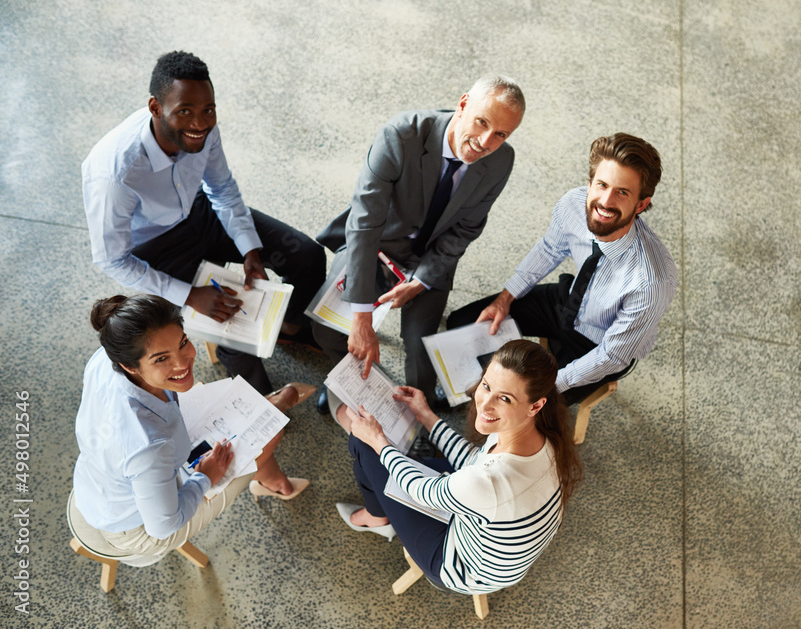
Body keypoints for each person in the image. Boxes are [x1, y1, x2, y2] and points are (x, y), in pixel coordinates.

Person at [82, 51, 326, 395]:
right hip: (156, 245)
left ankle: (289, 327)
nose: (200, 124)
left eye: (207, 110)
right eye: (185, 111)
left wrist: (250, 247)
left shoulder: (201, 129)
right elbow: (111, 259)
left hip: (200, 211)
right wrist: (190, 295)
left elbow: (222, 188)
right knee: (232, 326)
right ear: (155, 108)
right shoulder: (115, 173)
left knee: (307, 255)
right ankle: (263, 407)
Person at [311, 76, 525, 413]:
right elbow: (365, 223)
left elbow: (467, 229)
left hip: (433, 258)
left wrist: (422, 280)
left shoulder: (501, 161)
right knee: (328, 327)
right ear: (464, 103)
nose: (486, 142)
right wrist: (363, 317)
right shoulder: (400, 135)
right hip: (378, 243)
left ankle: (416, 419)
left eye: (501, 134)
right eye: (482, 122)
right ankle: (351, 381)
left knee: (422, 351)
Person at [71, 294, 312, 565]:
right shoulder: (148, 446)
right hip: (138, 527)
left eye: (183, 342)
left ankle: (274, 477)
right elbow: (163, 525)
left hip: (99, 482)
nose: (182, 363)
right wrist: (205, 478)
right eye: (162, 358)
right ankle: (274, 467)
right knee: (267, 436)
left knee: (245, 429)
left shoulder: (105, 359)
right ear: (129, 366)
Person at [447, 133, 677, 405]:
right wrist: (505, 298)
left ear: (641, 204)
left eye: (622, 192)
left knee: (529, 410)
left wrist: (547, 386)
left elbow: (612, 356)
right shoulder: (573, 205)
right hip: (568, 300)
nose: (605, 201)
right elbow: (550, 249)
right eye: (601, 185)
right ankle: (467, 394)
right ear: (590, 183)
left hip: (599, 341)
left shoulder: (652, 280)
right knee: (461, 326)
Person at [336, 339, 581, 594]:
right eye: (486, 385)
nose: (484, 404)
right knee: (396, 458)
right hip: (495, 550)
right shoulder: (540, 437)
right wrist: (427, 417)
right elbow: (476, 461)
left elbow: (422, 492)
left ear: (536, 405)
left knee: (363, 445)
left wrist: (378, 441)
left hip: (459, 567)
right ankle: (380, 508)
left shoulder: (486, 482)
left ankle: (377, 518)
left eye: (504, 399)